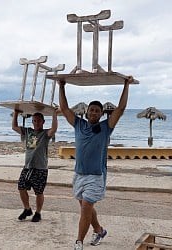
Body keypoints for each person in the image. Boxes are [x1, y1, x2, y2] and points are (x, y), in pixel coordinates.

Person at [58, 77, 133, 249]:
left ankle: (79, 242)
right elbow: (63, 108)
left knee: (85, 208)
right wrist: (61, 86)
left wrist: (126, 85)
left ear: (101, 114)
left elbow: (120, 109)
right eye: (91, 110)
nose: (93, 113)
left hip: (96, 176)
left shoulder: (106, 127)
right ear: (86, 112)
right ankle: (99, 230)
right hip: (78, 175)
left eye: (97, 111)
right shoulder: (78, 124)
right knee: (87, 208)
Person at [11, 108, 58, 222]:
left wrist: (54, 115)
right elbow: (14, 127)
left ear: (43, 122)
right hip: (28, 167)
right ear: (32, 122)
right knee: (21, 187)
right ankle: (27, 209)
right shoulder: (28, 132)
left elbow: (54, 129)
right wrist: (16, 113)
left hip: (40, 168)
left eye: (39, 121)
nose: (36, 123)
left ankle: (38, 213)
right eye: (34, 121)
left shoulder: (45, 134)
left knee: (39, 192)